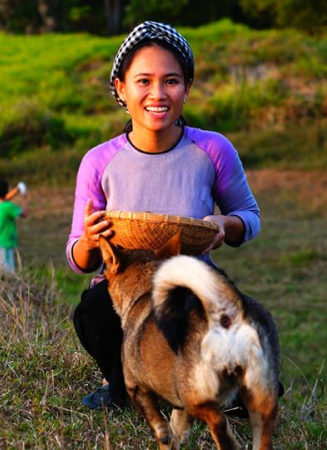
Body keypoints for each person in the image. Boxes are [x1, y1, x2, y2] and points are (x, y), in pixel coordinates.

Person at [67, 21, 261, 410]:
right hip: (124, 290)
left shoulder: (213, 149)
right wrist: (89, 239)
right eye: (143, 81)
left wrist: (226, 224)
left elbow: (250, 216)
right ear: (121, 88)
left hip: (191, 281)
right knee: (92, 313)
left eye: (171, 80)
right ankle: (124, 386)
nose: (158, 93)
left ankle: (223, 391)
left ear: (187, 87)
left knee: (238, 319)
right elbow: (77, 259)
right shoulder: (99, 161)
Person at [0, 178, 29, 273]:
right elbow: (24, 213)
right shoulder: (8, 207)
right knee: (8, 272)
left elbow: (5, 198)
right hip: (5, 243)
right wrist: (24, 197)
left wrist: (17, 190)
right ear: (7, 190)